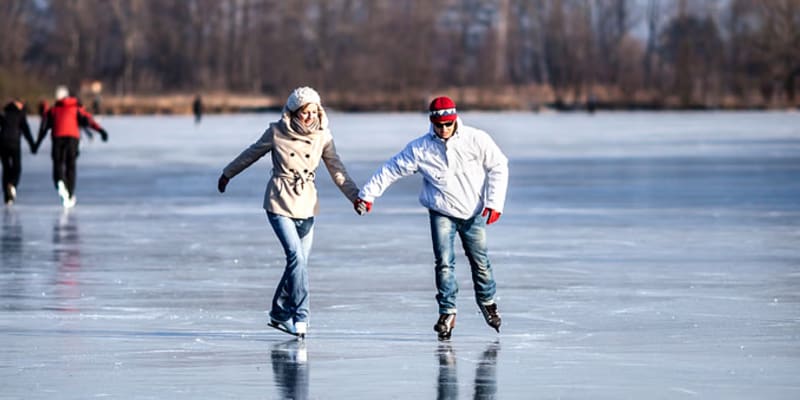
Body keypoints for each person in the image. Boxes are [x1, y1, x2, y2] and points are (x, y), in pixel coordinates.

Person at [355, 96, 509, 340]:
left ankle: (488, 302)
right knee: (444, 263)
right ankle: (447, 311)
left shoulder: (476, 139)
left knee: (480, 261)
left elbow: (499, 165)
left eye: (449, 124)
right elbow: (392, 168)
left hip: (473, 212)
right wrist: (368, 195)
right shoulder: (420, 148)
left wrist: (494, 203)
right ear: (432, 122)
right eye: (440, 125)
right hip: (441, 212)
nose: (444, 129)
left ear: (456, 119)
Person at [217, 86, 360, 338]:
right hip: (279, 201)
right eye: (305, 112)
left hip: (306, 203)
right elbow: (251, 153)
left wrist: (355, 196)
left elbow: (338, 171)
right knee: (296, 258)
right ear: (294, 111)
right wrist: (228, 173)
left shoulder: (323, 137)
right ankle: (301, 316)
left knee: (299, 264)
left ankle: (279, 313)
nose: (309, 117)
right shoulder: (276, 132)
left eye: (314, 112)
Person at [35, 87, 108, 208]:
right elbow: (89, 121)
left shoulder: (53, 110)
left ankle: (59, 182)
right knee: (71, 165)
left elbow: (44, 127)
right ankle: (70, 193)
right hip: (72, 138)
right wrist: (101, 131)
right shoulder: (76, 109)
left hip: (58, 137)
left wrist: (37, 144)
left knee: (58, 163)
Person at [1, 99, 36, 205]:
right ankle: (12, 185)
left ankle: (7, 197)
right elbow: (26, 131)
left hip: (2, 143)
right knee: (17, 167)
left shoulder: (4, 114)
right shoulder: (20, 115)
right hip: (14, 143)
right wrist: (32, 145)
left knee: (6, 169)